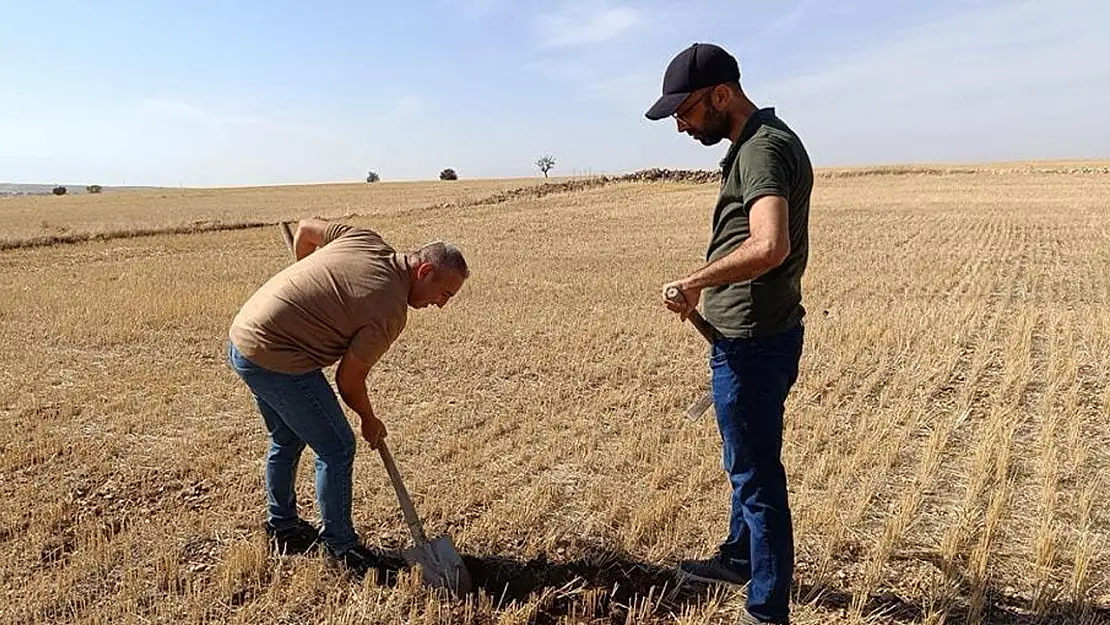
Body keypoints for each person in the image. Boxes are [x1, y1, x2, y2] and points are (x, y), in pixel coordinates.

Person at [645, 42, 813, 625]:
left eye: (685, 112)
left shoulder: (762, 151)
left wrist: (695, 282)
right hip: (753, 335)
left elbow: (769, 245)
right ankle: (741, 557)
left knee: (756, 474)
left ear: (721, 95)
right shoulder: (758, 143)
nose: (682, 126)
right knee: (745, 457)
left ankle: (766, 608)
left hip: (753, 343)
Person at [226, 218, 468, 575]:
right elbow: (349, 380)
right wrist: (369, 420)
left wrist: (303, 275)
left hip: (244, 337)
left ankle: (282, 527)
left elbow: (306, 229)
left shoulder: (365, 239)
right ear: (426, 271)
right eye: (444, 294)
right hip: (277, 356)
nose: (441, 305)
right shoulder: (389, 311)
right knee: (337, 447)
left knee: (287, 437)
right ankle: (341, 549)